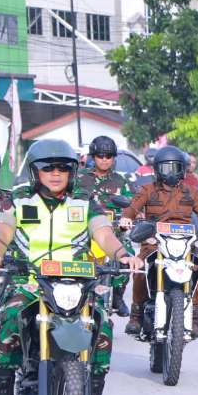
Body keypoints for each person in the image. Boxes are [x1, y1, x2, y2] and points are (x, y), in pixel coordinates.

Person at [0, 140, 143, 395]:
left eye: (62, 168)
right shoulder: (19, 198)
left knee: (102, 322)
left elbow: (103, 233)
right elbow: (2, 230)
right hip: (30, 279)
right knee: (11, 316)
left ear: (72, 172)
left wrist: (122, 254)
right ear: (35, 171)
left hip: (76, 281)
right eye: (47, 168)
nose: (55, 173)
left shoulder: (84, 200)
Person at [120, 146, 198, 338]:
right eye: (166, 167)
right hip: (154, 242)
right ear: (157, 169)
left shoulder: (192, 192)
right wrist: (126, 218)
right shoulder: (147, 190)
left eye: (175, 167)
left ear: (182, 169)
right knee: (140, 268)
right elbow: (132, 207)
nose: (170, 172)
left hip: (185, 243)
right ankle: (136, 315)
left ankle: (194, 317)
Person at [77, 135, 135, 317]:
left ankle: (117, 295)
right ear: (93, 157)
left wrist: (127, 218)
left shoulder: (121, 181)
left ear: (113, 158)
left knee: (127, 256)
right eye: (100, 155)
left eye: (108, 156)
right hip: (83, 232)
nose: (104, 159)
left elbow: (131, 205)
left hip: (114, 232)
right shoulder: (79, 179)